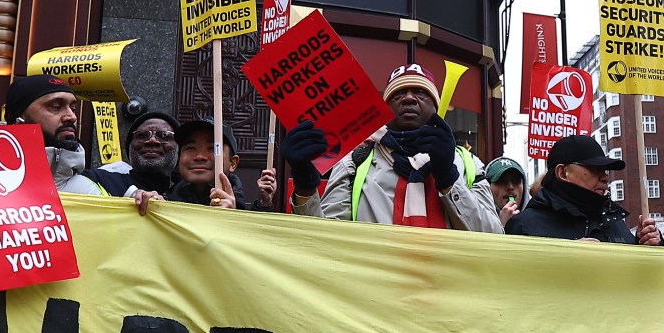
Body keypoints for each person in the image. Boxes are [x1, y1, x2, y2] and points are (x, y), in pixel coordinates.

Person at [301, 64, 500, 231]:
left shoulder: (469, 164)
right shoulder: (353, 162)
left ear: (436, 107)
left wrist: (448, 178)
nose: (409, 98)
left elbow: (493, 238)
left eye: (421, 92)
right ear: (385, 109)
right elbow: (324, 240)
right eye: (398, 94)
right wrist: (305, 189)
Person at [506, 133, 662, 244]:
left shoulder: (614, 223)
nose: (605, 177)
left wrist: (647, 245)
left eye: (606, 170)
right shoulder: (523, 225)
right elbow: (513, 283)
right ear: (563, 172)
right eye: (595, 168)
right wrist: (567, 259)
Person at [166, 118, 278, 210]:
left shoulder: (247, 218)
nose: (199, 156)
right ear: (179, 158)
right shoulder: (161, 205)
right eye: (190, 148)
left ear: (233, 163)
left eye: (213, 148)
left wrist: (264, 204)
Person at [91, 110, 178, 197]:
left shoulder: (187, 194)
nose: (152, 140)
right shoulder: (99, 180)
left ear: (180, 151)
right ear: (129, 148)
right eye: (142, 135)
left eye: (164, 135)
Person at [485, 156, 527, 226]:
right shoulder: (479, 221)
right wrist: (501, 226)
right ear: (488, 186)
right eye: (501, 181)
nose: (510, 187)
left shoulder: (537, 219)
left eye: (516, 181)